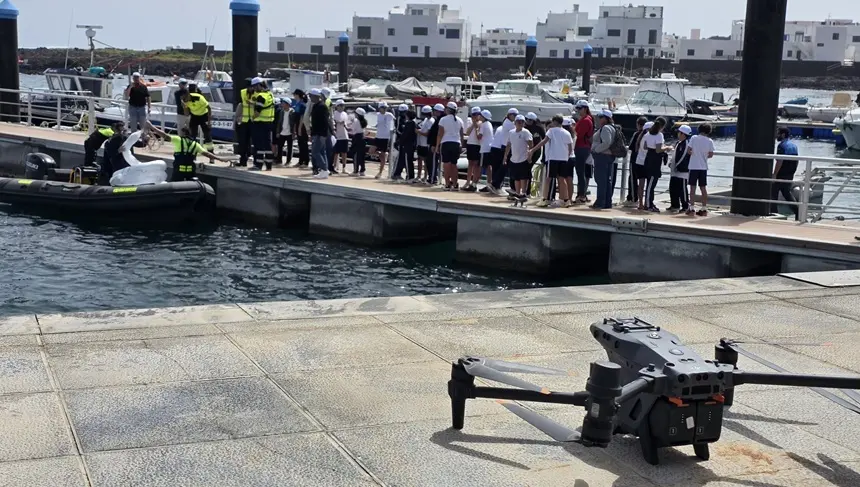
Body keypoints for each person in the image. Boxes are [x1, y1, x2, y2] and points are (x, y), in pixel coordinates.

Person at [148, 123, 228, 181]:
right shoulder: (195, 144)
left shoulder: (178, 140)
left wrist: (152, 127)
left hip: (178, 174)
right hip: (190, 174)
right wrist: (220, 159)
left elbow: (164, 135)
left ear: (183, 133)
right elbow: (208, 154)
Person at [530, 115, 573, 208]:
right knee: (562, 179)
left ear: (554, 122)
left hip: (553, 158)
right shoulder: (567, 133)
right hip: (564, 159)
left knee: (548, 178)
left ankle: (545, 199)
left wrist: (532, 150)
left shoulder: (551, 131)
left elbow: (544, 141)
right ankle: (566, 200)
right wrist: (567, 156)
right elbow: (570, 147)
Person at [640, 117, 672, 212]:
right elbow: (658, 150)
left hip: (648, 157)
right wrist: (667, 147)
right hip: (655, 159)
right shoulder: (659, 135)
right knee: (651, 183)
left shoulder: (648, 134)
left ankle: (650, 202)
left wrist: (653, 146)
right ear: (662, 126)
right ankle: (648, 204)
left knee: (650, 182)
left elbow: (645, 146)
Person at [590, 109, 617, 210]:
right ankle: (606, 202)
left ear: (606, 119)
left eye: (601, 117)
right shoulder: (612, 127)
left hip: (602, 156)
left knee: (601, 180)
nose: (599, 119)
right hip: (607, 157)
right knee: (606, 180)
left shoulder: (606, 128)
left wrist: (596, 150)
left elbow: (607, 142)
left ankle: (600, 202)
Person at [502, 114, 533, 200]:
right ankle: (517, 193)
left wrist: (529, 156)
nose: (520, 123)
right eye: (518, 122)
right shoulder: (511, 132)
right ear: (515, 123)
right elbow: (508, 145)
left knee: (524, 177)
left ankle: (523, 193)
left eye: (522, 122)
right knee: (516, 178)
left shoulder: (526, 132)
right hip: (514, 159)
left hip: (523, 158)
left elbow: (530, 144)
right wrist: (505, 156)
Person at [687, 122, 715, 216]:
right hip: (703, 167)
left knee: (692, 188)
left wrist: (694, 153)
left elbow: (689, 150)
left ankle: (691, 208)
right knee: (703, 188)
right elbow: (711, 154)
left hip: (694, 166)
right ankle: (703, 208)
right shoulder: (710, 141)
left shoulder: (694, 138)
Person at [249, 78, 276, 171]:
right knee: (267, 144)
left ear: (259, 85)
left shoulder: (261, 96)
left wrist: (252, 119)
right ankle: (269, 165)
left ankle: (258, 164)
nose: (254, 89)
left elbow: (258, 112)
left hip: (260, 123)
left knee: (258, 145)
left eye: (254, 86)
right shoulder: (270, 94)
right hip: (269, 123)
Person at [436, 101, 464, 191]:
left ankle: (447, 184)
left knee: (447, 164)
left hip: (446, 143)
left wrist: (437, 145)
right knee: (454, 164)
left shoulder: (443, 119)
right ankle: (455, 184)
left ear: (448, 109)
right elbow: (462, 135)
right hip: (456, 143)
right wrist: (461, 145)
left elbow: (440, 134)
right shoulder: (460, 120)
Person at [773, 127, 800, 220]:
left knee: (773, 191)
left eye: (778, 133)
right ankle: (798, 212)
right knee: (786, 192)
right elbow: (797, 161)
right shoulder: (794, 146)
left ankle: (773, 213)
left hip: (782, 171)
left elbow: (779, 161)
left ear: (783, 134)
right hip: (790, 171)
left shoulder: (781, 146)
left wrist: (775, 174)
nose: (776, 135)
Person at [491, 108, 519, 192]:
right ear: (510, 115)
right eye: (514, 115)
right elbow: (518, 130)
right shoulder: (509, 124)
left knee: (504, 167)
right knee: (504, 167)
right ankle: (495, 184)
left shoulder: (507, 122)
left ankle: (497, 184)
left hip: (505, 146)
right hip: (506, 147)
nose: (515, 117)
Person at [573, 100, 594, 204]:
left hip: (582, 147)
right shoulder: (586, 119)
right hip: (582, 147)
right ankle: (581, 194)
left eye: (579, 108)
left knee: (580, 172)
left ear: (585, 108)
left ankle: (581, 195)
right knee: (581, 172)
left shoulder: (586, 120)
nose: (578, 110)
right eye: (577, 108)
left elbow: (579, 134)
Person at [668, 125, 692, 213]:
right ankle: (674, 205)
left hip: (682, 171)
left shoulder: (686, 143)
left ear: (683, 134)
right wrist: (671, 163)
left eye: (679, 132)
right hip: (675, 170)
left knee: (682, 189)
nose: (678, 134)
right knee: (673, 188)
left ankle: (685, 205)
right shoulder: (679, 143)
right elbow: (675, 154)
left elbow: (682, 157)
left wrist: (677, 165)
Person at [308, 88, 331, 178]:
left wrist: (323, 134)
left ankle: (324, 169)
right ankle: (325, 170)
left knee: (315, 152)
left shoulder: (322, 106)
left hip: (321, 133)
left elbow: (325, 122)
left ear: (316, 96)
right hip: (316, 132)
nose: (310, 98)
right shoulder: (315, 106)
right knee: (322, 151)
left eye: (311, 96)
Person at [233, 80, 256, 167]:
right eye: (249, 87)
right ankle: (243, 161)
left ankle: (254, 161)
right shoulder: (242, 92)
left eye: (252, 87)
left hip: (254, 121)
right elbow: (240, 104)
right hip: (244, 121)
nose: (251, 88)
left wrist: (253, 103)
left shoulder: (257, 94)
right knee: (243, 142)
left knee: (253, 142)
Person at [185, 84, 214, 151]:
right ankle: (193, 153)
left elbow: (209, 108)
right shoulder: (184, 99)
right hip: (194, 116)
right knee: (192, 136)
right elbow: (186, 114)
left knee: (207, 135)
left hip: (204, 116)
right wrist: (185, 107)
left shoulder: (199, 97)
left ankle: (211, 154)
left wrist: (209, 122)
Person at [627, 117, 648, 205]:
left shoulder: (637, 134)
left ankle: (633, 198)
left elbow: (631, 147)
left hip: (635, 159)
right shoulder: (648, 135)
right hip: (643, 160)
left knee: (632, 178)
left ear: (639, 125)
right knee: (641, 180)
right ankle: (639, 200)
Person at [524, 112, 545, 197]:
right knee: (525, 170)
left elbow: (544, 139)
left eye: (530, 120)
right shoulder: (524, 127)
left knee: (528, 169)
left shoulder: (539, 128)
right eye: (527, 119)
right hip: (525, 150)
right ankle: (525, 190)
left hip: (536, 151)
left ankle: (527, 191)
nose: (528, 121)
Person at [393, 110, 418, 182]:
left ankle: (410, 176)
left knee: (407, 161)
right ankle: (409, 176)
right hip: (410, 144)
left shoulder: (410, 123)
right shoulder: (413, 123)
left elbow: (405, 135)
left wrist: (399, 142)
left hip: (407, 145)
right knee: (408, 160)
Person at [463, 106, 483, 191]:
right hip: (470, 144)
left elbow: (479, 134)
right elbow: (467, 132)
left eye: (477, 114)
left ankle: (473, 182)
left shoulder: (482, 123)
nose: (475, 116)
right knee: (470, 164)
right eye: (473, 115)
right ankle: (467, 181)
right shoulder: (470, 122)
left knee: (476, 165)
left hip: (477, 145)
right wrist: (473, 124)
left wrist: (476, 125)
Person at [374, 102, 395, 179]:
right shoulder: (377, 115)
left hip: (385, 137)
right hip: (378, 136)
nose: (385, 109)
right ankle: (383, 156)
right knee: (371, 150)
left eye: (385, 107)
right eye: (383, 107)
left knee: (383, 155)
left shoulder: (389, 115)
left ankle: (380, 172)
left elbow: (394, 123)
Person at [425, 103, 445, 186]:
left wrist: (434, 145)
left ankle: (433, 178)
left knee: (433, 162)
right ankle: (431, 177)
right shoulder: (437, 120)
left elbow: (437, 134)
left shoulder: (439, 121)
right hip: (432, 144)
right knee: (429, 161)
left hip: (434, 144)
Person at [487, 118, 508, 195]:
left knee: (495, 168)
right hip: (500, 149)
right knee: (503, 168)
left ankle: (494, 186)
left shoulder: (499, 128)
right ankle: (496, 186)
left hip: (493, 148)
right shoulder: (508, 129)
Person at [477, 109, 495, 192]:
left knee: (481, 167)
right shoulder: (489, 124)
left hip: (484, 148)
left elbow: (479, 136)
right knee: (488, 167)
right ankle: (489, 184)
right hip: (489, 147)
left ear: (483, 117)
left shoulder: (483, 125)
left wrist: (477, 129)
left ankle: (474, 183)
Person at [416, 106, 435, 183]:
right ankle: (419, 175)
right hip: (420, 142)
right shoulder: (426, 120)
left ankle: (425, 176)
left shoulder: (431, 121)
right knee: (419, 159)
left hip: (426, 144)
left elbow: (428, 133)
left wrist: (418, 132)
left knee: (426, 161)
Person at [292, 90, 310, 167]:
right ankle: (301, 160)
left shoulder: (302, 105)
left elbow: (302, 117)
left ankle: (305, 161)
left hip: (302, 126)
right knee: (300, 143)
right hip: (297, 124)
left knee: (303, 144)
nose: (294, 96)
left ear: (298, 95)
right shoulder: (297, 104)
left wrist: (299, 128)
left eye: (295, 95)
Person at [332, 99, 350, 173]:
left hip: (344, 135)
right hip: (337, 135)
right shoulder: (334, 113)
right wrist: (339, 123)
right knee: (336, 152)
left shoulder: (345, 114)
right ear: (337, 106)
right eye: (340, 105)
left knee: (344, 152)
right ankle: (335, 166)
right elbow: (334, 122)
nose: (342, 107)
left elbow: (347, 123)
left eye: (343, 105)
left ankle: (344, 167)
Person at [275, 98, 294, 166]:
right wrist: (278, 132)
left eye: (283, 103)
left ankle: (288, 161)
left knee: (289, 148)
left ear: (287, 104)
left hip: (289, 133)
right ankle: (279, 160)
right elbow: (279, 123)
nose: (282, 104)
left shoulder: (292, 112)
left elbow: (294, 124)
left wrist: (294, 133)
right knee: (280, 147)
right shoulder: (281, 112)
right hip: (282, 132)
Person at [350, 107, 368, 176]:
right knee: (362, 155)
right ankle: (362, 170)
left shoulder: (356, 121)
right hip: (362, 137)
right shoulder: (364, 121)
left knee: (355, 154)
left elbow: (352, 129)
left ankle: (355, 171)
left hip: (356, 137)